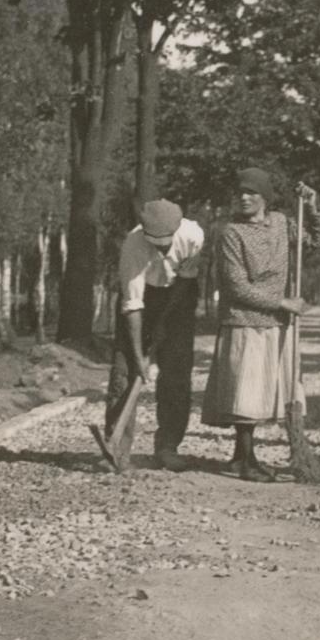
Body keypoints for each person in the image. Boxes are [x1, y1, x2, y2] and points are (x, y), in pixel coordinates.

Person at [202, 168, 320, 481]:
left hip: (277, 323)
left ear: (265, 198)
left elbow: (314, 244)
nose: (244, 198)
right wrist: (282, 303)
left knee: (267, 390)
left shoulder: (282, 223)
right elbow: (235, 286)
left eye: (252, 193)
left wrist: (310, 206)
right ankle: (243, 457)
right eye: (240, 192)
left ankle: (245, 458)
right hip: (244, 321)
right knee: (247, 391)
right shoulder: (231, 233)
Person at [110, 198, 205, 472]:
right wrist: (140, 355)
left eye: (166, 241)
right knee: (125, 369)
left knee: (176, 372)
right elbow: (132, 305)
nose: (162, 246)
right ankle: (117, 447)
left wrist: (166, 323)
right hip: (143, 299)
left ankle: (168, 446)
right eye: (156, 241)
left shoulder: (193, 235)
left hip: (180, 293)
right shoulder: (133, 245)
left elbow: (185, 282)